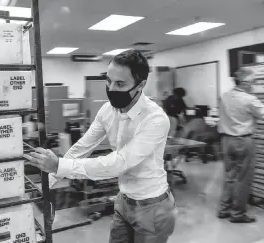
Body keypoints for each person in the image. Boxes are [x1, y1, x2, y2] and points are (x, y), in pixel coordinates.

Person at [24, 50, 177, 243]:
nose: (111, 88)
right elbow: (81, 148)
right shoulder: (108, 110)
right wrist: (45, 185)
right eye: (108, 81)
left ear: (141, 85)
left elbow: (119, 163)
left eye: (120, 84)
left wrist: (58, 165)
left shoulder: (155, 118)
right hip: (123, 200)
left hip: (153, 206)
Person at [217, 68, 264, 223]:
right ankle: (237, 214)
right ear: (244, 83)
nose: (254, 85)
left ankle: (223, 209)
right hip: (242, 141)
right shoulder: (249, 99)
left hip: (226, 140)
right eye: (253, 81)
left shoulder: (224, 96)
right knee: (242, 179)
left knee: (229, 176)